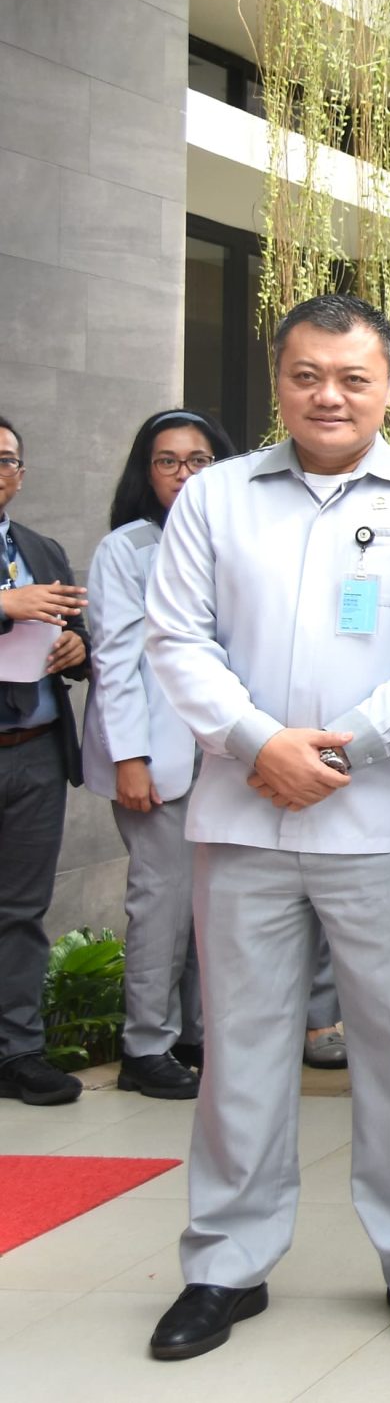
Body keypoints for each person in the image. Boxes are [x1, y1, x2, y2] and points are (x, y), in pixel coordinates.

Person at [142, 294, 390, 1361]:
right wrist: (258, 742)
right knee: (241, 1048)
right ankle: (225, 1262)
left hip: (381, 822)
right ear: (278, 379)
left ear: (387, 385)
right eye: (306, 376)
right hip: (243, 821)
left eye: (352, 377)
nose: (328, 396)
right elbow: (175, 637)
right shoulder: (217, 500)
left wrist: (348, 747)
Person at [83, 410, 240, 1100]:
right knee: (163, 905)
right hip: (156, 760)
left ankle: (195, 1036)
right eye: (167, 461)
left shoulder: (236, 541)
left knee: (212, 908)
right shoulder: (126, 549)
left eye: (198, 460)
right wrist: (129, 757)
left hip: (229, 755)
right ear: (146, 474)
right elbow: (115, 662)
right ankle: (146, 1045)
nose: (184, 474)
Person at [0, 414, 93, 1106]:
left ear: (21, 475)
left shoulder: (42, 548)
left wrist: (77, 649)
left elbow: (78, 628)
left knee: (21, 912)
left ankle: (20, 1052)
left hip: (33, 752)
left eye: (6, 460)